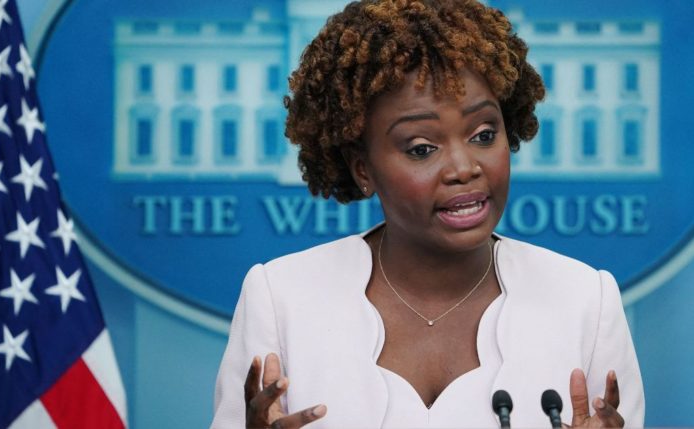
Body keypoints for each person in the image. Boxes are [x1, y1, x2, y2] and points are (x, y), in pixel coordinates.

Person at [212, 0, 644, 427]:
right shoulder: (280, 297)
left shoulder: (585, 300)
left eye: (483, 134)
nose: (464, 167)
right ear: (363, 169)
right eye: (422, 148)